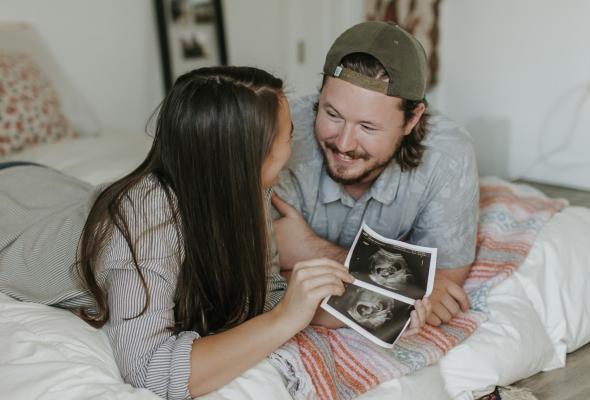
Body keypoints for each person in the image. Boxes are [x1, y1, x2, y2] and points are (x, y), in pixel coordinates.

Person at [0, 66, 431, 399]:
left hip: (53, 190)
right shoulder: (146, 225)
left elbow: (263, 294)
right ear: (246, 157)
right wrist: (284, 318)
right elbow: (149, 368)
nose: (295, 142)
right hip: (12, 208)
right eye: (288, 135)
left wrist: (369, 308)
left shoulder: (246, 188)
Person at [272, 21, 479, 327]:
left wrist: (310, 250)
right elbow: (266, 287)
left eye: (367, 127)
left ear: (412, 120)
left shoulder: (448, 156)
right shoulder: (279, 136)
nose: (344, 143)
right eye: (332, 114)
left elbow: (441, 289)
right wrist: (404, 289)